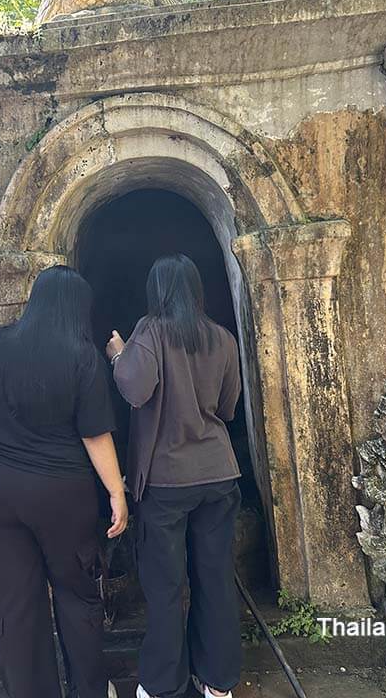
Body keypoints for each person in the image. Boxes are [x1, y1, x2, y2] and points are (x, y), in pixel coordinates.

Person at [0, 265, 128, 698]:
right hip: (61, 493)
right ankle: (89, 690)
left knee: (16, 603)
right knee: (77, 594)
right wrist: (116, 492)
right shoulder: (82, 355)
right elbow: (95, 434)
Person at [106, 254, 243, 698]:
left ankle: (163, 685)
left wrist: (119, 354)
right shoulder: (222, 338)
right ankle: (218, 683)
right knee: (215, 579)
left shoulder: (150, 330)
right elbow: (228, 408)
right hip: (218, 475)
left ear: (156, 291)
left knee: (165, 587)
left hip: (166, 482)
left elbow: (134, 388)